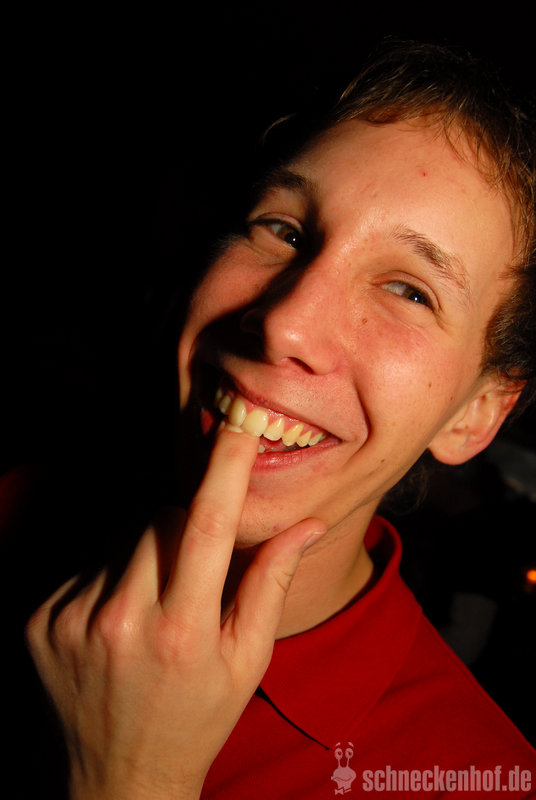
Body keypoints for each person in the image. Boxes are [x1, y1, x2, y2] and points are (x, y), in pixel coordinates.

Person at [24, 40, 536, 798]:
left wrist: (130, 779)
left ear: (476, 414)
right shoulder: (23, 509)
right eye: (285, 231)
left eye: (410, 291)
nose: (284, 324)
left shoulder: (477, 778)